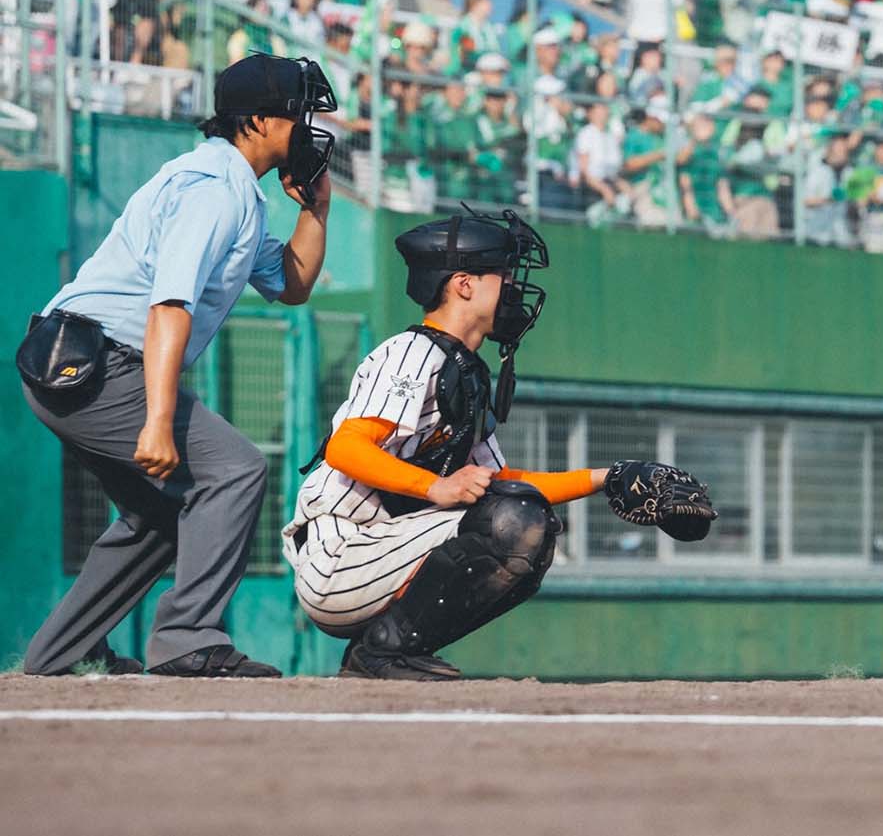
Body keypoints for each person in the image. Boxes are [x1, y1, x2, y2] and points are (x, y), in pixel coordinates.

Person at [284, 209, 715, 679]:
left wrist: (606, 478)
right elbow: (345, 448)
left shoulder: (464, 368)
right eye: (504, 275)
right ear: (464, 284)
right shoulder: (412, 352)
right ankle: (383, 653)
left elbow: (501, 485)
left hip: (386, 551)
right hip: (342, 553)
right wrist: (436, 488)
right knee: (513, 522)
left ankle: (382, 650)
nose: (514, 287)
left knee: (530, 524)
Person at [16, 53, 337, 677]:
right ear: (258, 121)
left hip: (80, 362)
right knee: (235, 471)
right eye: (297, 114)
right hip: (95, 365)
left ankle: (60, 653)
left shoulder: (234, 188)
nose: (307, 127)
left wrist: (314, 210)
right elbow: (169, 305)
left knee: (160, 514)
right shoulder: (214, 191)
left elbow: (292, 283)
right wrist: (158, 422)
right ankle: (188, 637)